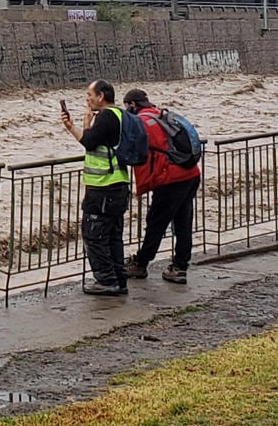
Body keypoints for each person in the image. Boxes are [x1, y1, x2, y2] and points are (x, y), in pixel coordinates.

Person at [121, 89, 199, 285]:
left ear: (132, 105)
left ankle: (140, 264)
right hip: (190, 173)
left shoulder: (141, 122)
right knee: (183, 223)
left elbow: (132, 150)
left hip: (170, 178)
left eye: (126, 106)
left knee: (156, 223)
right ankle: (180, 267)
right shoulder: (161, 115)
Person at [60, 80, 129, 295]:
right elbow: (93, 140)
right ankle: (119, 279)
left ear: (101, 96)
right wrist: (81, 125)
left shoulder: (107, 116)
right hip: (117, 186)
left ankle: (107, 280)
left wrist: (76, 126)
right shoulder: (120, 115)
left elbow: (89, 143)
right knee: (113, 237)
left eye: (89, 94)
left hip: (103, 188)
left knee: (94, 235)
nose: (87, 98)